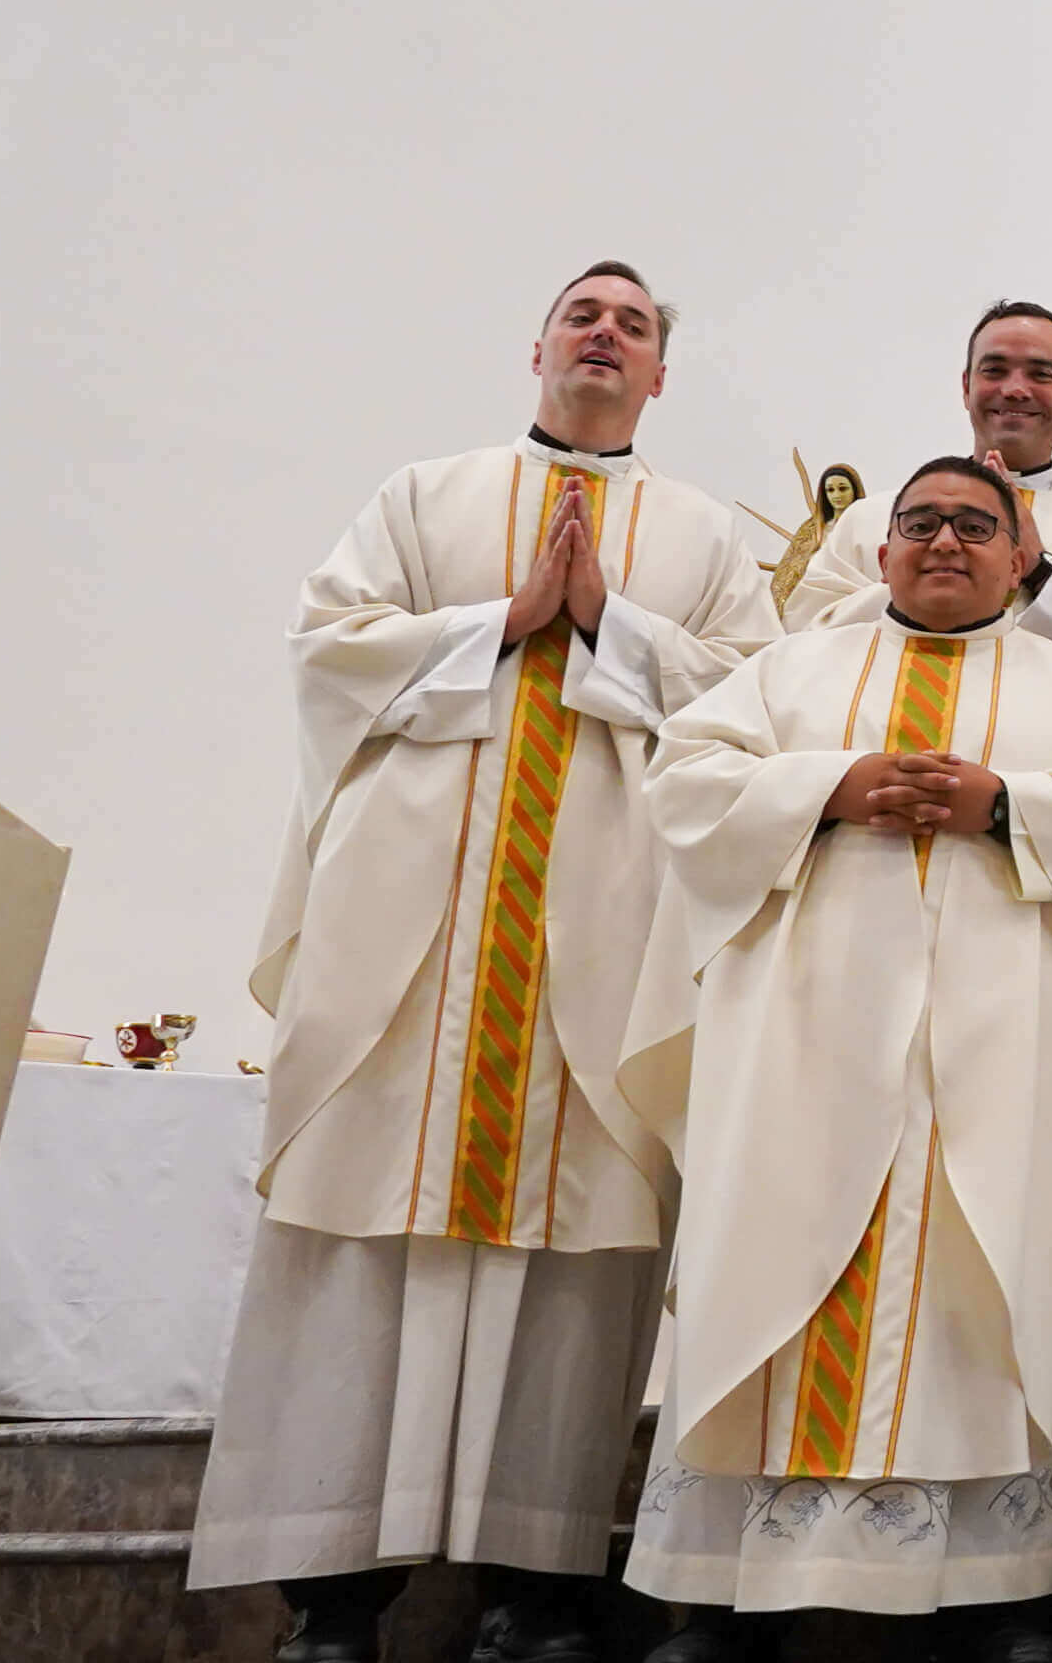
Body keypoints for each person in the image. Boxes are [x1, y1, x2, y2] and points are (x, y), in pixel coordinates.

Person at [188, 263, 781, 1663]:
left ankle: (538, 1585)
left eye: (634, 325)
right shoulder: (421, 497)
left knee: (575, 1262)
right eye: (586, 313)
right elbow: (326, 648)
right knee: (358, 1249)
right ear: (538, 347)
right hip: (412, 948)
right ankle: (335, 1599)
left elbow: (756, 707)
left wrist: (609, 627)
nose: (606, 335)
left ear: (659, 377)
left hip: (600, 946)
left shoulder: (697, 538)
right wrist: (501, 620)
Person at [618, 459, 1052, 1659]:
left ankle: (994, 1587)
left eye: (975, 525)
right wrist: (832, 785)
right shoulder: (788, 671)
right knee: (769, 1269)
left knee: (986, 1287)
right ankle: (724, 1590)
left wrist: (1002, 805)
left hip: (999, 1056)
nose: (944, 541)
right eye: (919, 522)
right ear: (879, 554)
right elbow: (687, 781)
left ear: (1022, 554)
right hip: (800, 1053)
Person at [785, 300, 1052, 699]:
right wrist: (918, 576)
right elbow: (801, 644)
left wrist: (1044, 572)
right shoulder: (869, 519)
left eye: (1040, 374)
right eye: (995, 370)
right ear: (966, 387)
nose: (1015, 389)